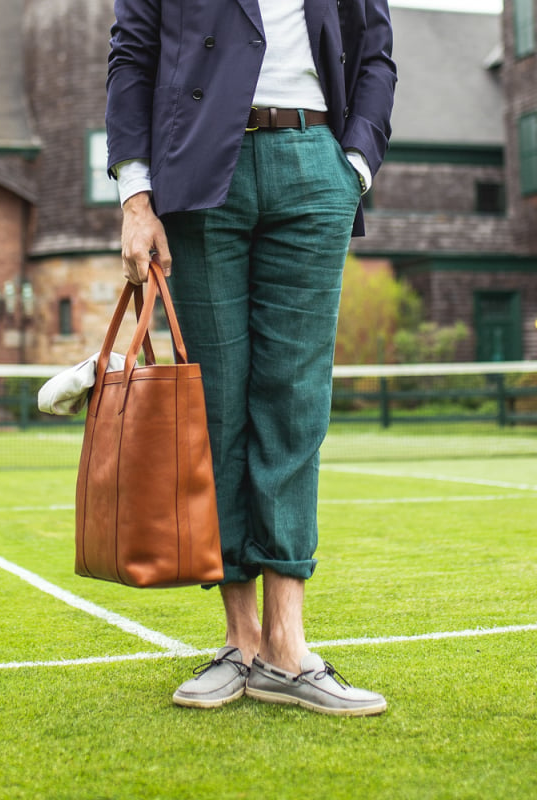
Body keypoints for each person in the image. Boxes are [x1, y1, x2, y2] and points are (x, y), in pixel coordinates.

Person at [106, 0, 396, 715]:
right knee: (216, 411)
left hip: (315, 164)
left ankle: (288, 649)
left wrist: (353, 163)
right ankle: (241, 642)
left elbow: (376, 53)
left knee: (295, 404)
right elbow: (131, 58)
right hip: (201, 175)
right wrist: (134, 197)